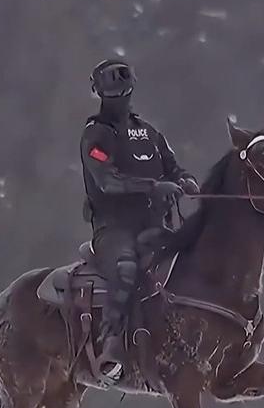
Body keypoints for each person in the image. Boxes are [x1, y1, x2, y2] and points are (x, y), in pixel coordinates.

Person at [79, 59, 199, 384]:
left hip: (155, 225)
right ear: (99, 91)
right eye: (110, 85)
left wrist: (186, 180)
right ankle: (110, 347)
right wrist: (153, 186)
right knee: (126, 268)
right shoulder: (95, 136)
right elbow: (108, 181)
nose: (116, 92)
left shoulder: (149, 133)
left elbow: (173, 166)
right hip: (113, 229)